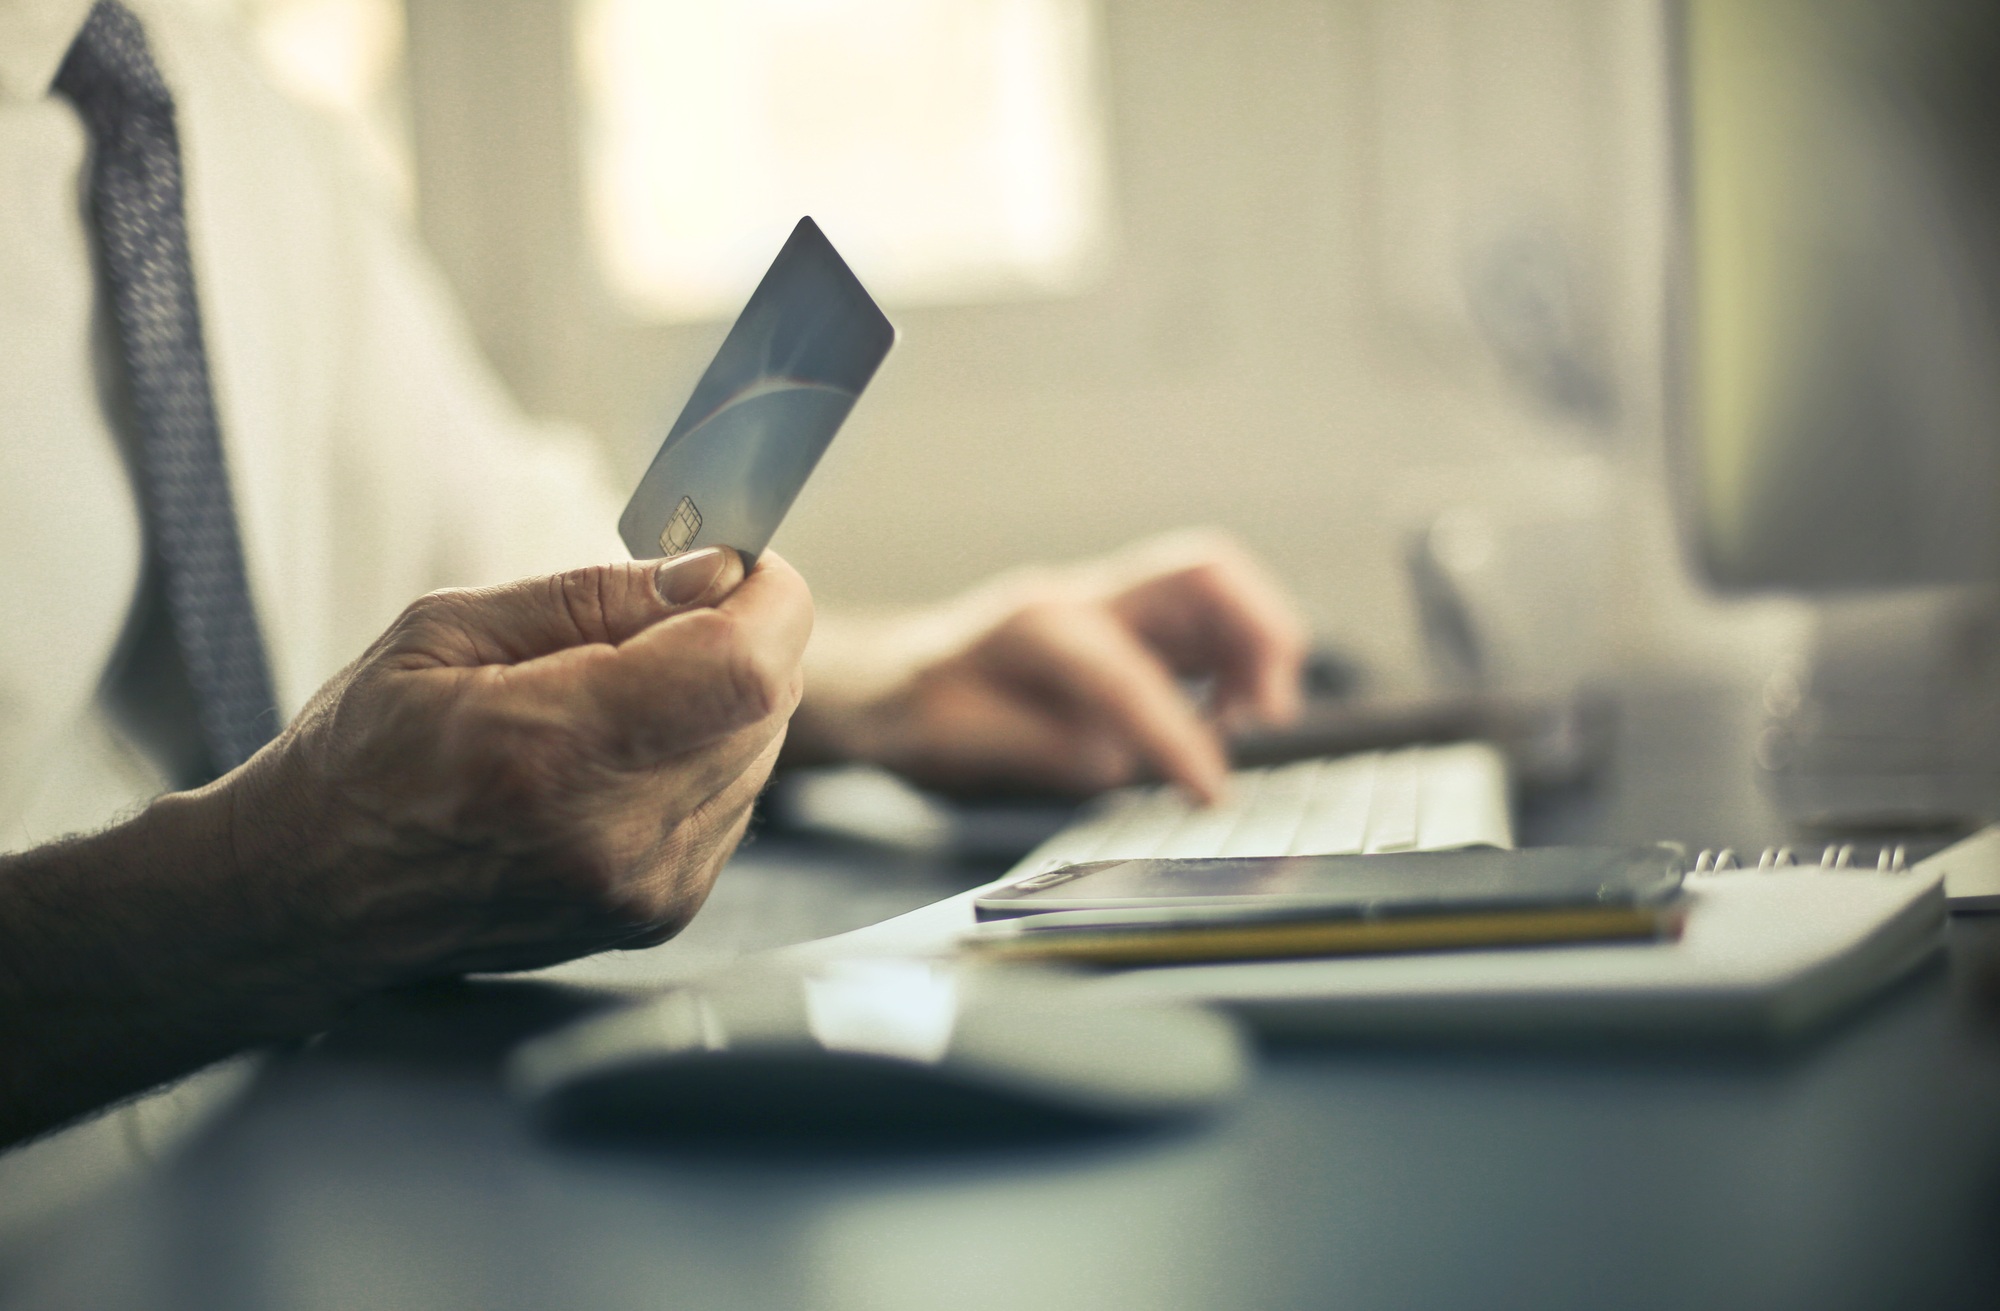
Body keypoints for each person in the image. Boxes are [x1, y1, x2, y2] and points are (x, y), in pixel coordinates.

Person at [0, 0, 1305, 1161]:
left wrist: (889, 685)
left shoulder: (228, 115)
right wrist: (281, 897)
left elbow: (528, 569)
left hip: (331, 1175)